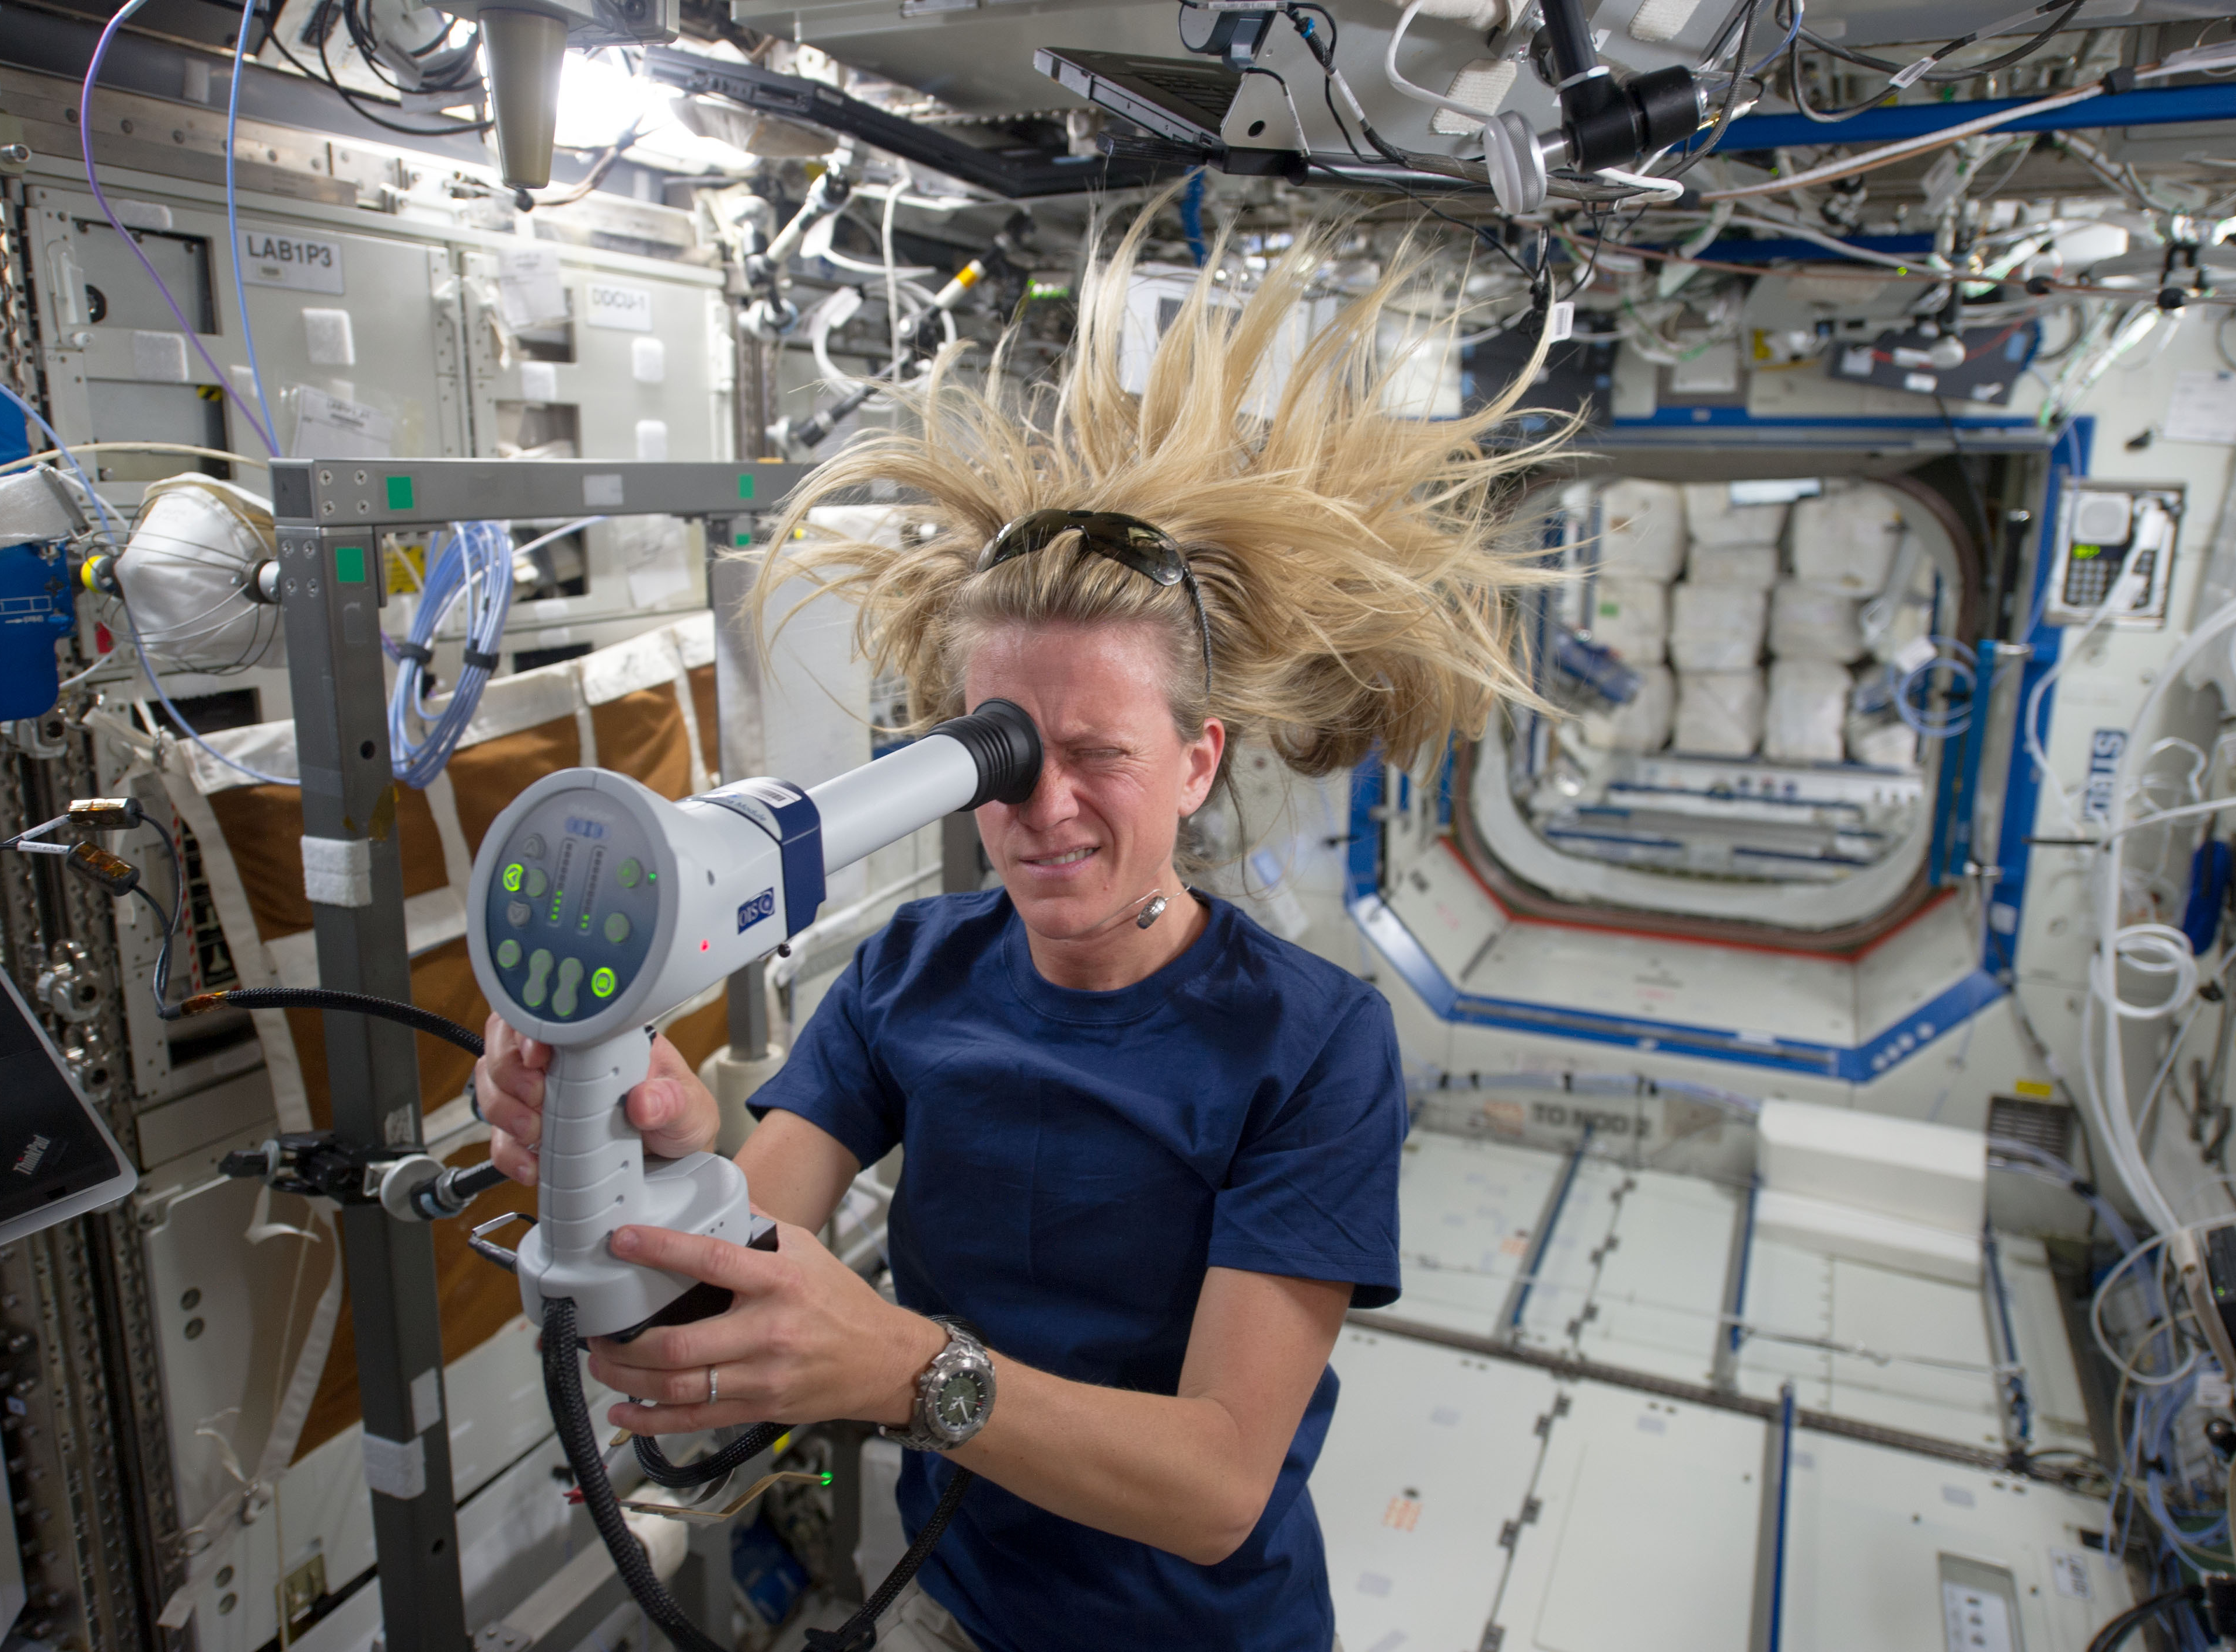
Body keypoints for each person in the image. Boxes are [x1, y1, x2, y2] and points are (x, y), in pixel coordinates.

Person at [474, 204, 1560, 1652]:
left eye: (1100, 754)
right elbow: (715, 1301)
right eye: (1002, 753)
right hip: (957, 1611)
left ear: (1197, 762)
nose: (1044, 808)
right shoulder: (908, 975)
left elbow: (1218, 1487)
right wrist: (649, 1156)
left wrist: (906, 1371)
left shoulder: (1309, 1045)